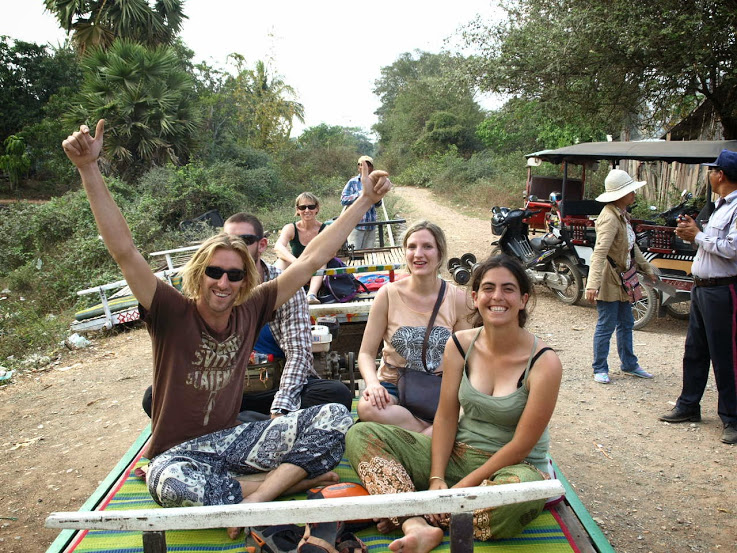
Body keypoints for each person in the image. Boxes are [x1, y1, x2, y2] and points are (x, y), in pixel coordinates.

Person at [61, 120, 391, 528]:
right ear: (200, 272)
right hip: (177, 454)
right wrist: (88, 169)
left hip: (231, 443)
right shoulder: (170, 310)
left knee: (336, 415)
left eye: (235, 275)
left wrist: (363, 200)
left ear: (246, 280)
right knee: (166, 483)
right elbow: (125, 252)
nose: (223, 282)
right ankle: (274, 485)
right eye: (215, 271)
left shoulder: (250, 308)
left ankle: (258, 493)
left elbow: (310, 260)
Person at [346, 255, 562, 552]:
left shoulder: (545, 362)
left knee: (516, 497)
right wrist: (437, 478)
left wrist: (460, 489)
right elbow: (446, 416)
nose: (497, 297)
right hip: (459, 456)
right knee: (362, 433)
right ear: (475, 297)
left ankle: (412, 508)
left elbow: (522, 445)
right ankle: (416, 524)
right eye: (488, 288)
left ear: (523, 299)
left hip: (514, 468)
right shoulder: (460, 344)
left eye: (508, 289)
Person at [139, 212, 353, 420]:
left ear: (261, 245)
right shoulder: (211, 287)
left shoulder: (278, 289)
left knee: (335, 394)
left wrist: (281, 407)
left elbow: (298, 352)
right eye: (229, 240)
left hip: (273, 387)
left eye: (244, 240)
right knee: (155, 397)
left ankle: (240, 423)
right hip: (222, 390)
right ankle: (248, 423)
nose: (224, 282)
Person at [356, 221, 472, 435]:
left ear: (440, 252)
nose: (418, 254)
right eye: (412, 247)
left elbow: (467, 358)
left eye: (427, 246)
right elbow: (365, 353)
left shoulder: (457, 298)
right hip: (394, 383)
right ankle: (432, 434)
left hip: (440, 387)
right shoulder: (387, 294)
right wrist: (373, 384)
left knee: (474, 415)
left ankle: (418, 435)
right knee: (367, 407)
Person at [659, 150, 737, 445]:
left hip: (723, 289)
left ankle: (732, 418)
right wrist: (695, 232)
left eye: (712, 171)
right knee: (695, 350)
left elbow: (732, 248)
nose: (709, 175)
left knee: (726, 355)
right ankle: (688, 405)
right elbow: (711, 243)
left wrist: (699, 236)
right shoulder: (719, 205)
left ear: (721, 175)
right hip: (703, 288)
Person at [585, 169, 657, 384]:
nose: (634, 194)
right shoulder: (610, 218)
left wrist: (647, 269)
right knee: (606, 325)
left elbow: (631, 247)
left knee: (626, 323)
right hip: (609, 279)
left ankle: (629, 364)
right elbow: (599, 252)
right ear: (619, 195)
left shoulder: (622, 215)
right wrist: (592, 284)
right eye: (630, 191)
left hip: (624, 278)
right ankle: (600, 367)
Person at [274, 192, 328, 304]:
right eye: (302, 207)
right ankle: (276, 292)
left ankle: (311, 294)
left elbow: (330, 252)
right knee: (281, 261)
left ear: (317, 209)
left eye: (311, 207)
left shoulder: (325, 229)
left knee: (321, 260)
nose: (307, 210)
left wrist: (308, 264)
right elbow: (278, 247)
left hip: (317, 266)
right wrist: (296, 262)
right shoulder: (291, 228)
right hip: (297, 266)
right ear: (297, 210)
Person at [341, 155, 383, 250]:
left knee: (369, 255)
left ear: (372, 168)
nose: (365, 167)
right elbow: (343, 199)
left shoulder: (375, 182)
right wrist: (361, 194)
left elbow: (378, 204)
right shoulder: (352, 182)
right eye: (362, 165)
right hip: (356, 226)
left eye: (368, 165)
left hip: (370, 226)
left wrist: (377, 198)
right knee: (355, 254)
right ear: (358, 167)